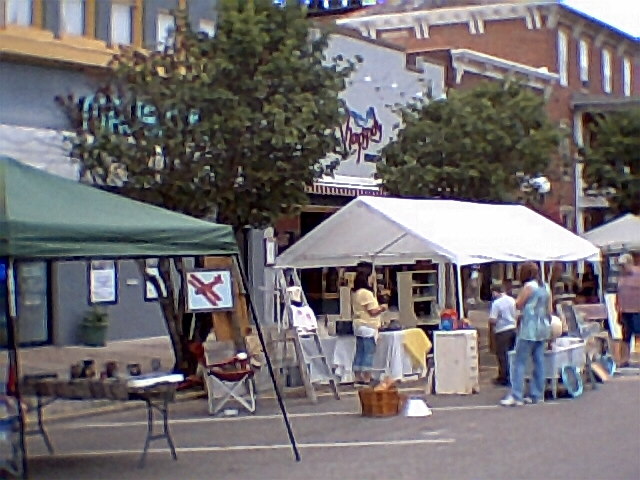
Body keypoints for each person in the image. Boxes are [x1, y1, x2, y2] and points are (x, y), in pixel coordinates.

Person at [500, 262, 552, 406]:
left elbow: (518, 304)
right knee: (539, 360)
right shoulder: (545, 287)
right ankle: (537, 393)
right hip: (543, 326)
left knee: (519, 361)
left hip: (529, 327)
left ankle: (516, 395)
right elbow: (549, 309)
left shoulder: (529, 287)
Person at [351, 268, 387, 386]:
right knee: (368, 351)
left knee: (360, 351)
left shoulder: (356, 293)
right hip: (368, 325)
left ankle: (357, 375)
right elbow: (372, 311)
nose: (373, 279)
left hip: (358, 324)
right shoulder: (366, 293)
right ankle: (366, 376)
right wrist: (382, 308)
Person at [489, 283, 517, 386]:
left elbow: (493, 319)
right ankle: (513, 375)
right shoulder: (512, 300)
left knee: (502, 355)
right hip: (513, 329)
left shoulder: (496, 303)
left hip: (501, 331)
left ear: (495, 292)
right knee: (512, 354)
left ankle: (504, 377)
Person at [616, 253, 640, 367]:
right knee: (625, 336)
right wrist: (618, 310)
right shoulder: (621, 277)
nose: (621, 268)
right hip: (625, 311)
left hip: (637, 310)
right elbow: (619, 294)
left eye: (623, 265)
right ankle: (624, 359)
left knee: (638, 334)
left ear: (629, 263)